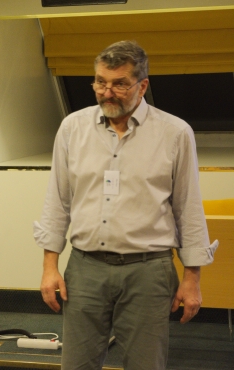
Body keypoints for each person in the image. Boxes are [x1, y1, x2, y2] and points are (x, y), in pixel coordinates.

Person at [34, 41, 218, 370]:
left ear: (142, 86)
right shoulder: (73, 128)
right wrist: (50, 267)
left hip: (148, 272)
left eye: (119, 84)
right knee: (76, 364)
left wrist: (192, 279)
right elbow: (57, 201)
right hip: (86, 269)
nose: (107, 93)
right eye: (100, 82)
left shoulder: (175, 133)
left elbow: (188, 210)